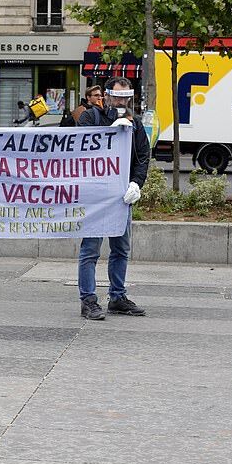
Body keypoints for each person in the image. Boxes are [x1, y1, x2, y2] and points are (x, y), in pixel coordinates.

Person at [75, 76, 149, 320]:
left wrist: (136, 184)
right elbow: (79, 150)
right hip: (95, 195)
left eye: (126, 98)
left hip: (121, 197)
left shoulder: (135, 124)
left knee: (121, 249)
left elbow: (142, 158)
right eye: (117, 96)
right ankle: (88, 300)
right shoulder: (90, 118)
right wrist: (111, 131)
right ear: (106, 96)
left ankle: (117, 297)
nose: (121, 101)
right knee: (90, 250)